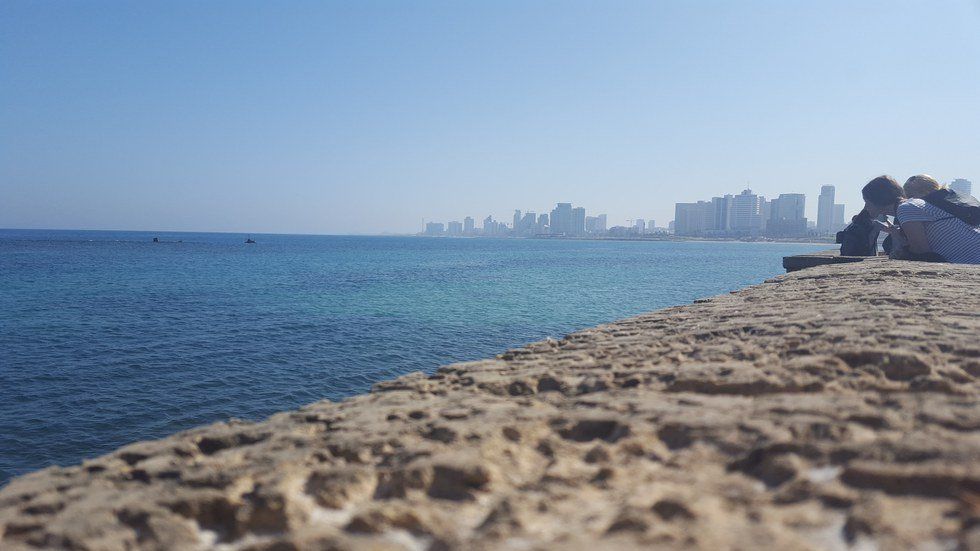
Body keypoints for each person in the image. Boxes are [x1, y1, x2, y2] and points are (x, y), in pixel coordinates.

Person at [862, 174, 980, 264]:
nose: (866, 207)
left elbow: (921, 251)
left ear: (878, 200)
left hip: (972, 261)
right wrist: (897, 234)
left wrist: (900, 252)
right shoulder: (914, 205)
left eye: (867, 202)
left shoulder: (906, 208)